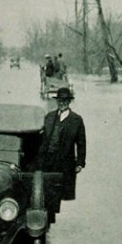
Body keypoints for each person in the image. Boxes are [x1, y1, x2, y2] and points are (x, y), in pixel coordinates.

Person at [38, 87, 86, 218]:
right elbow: (41, 138)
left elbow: (81, 143)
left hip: (64, 162)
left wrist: (80, 162)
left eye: (64, 100)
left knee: (58, 190)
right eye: (60, 100)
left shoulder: (77, 120)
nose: (62, 103)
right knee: (44, 189)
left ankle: (50, 217)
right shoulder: (49, 117)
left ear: (69, 102)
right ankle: (47, 219)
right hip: (47, 159)